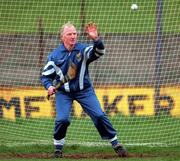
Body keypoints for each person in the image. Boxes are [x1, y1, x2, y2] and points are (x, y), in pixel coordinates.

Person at [40, 22, 128, 158]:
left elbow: (99, 52)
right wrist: (49, 86)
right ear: (62, 36)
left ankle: (115, 143)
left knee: (99, 115)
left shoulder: (83, 50)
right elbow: (45, 77)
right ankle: (58, 149)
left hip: (84, 91)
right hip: (64, 93)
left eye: (75, 33)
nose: (73, 36)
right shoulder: (54, 56)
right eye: (69, 34)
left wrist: (96, 39)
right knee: (62, 120)